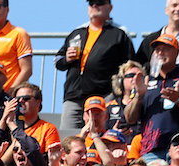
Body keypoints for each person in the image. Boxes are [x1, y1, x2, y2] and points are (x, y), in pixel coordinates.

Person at [55, 0, 134, 130]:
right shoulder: (77, 32)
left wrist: (116, 92)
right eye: (91, 3)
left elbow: (129, 65)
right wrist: (66, 59)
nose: (94, 6)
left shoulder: (119, 33)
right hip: (74, 98)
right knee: (70, 142)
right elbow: (58, 61)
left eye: (99, 2)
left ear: (110, 7)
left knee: (103, 139)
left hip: (104, 96)